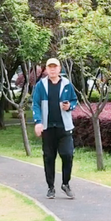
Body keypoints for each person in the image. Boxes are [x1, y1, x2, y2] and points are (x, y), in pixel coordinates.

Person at [32, 57, 78, 199]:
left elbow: (74, 100)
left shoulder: (66, 84)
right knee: (49, 158)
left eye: (55, 67)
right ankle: (50, 187)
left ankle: (65, 183)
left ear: (59, 69)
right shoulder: (41, 85)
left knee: (67, 154)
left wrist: (69, 106)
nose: (52, 69)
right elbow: (36, 104)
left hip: (64, 127)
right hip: (48, 128)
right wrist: (38, 122)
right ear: (46, 69)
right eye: (50, 67)